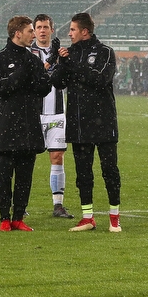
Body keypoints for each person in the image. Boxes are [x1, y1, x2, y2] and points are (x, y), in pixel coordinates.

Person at [51, 12, 122, 233]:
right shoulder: (69, 54)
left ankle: (114, 218)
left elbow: (100, 80)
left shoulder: (105, 52)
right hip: (78, 122)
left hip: (104, 122)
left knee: (109, 170)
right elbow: (57, 83)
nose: (69, 34)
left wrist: (72, 63)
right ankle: (87, 217)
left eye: (72, 30)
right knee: (83, 173)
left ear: (84, 31)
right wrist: (60, 61)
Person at [0, 16, 52, 231]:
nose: (33, 34)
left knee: (25, 175)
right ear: (17, 33)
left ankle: (18, 218)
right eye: (30, 30)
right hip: (6, 125)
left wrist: (44, 75)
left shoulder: (32, 59)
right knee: (5, 175)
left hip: (29, 125)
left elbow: (43, 89)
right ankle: (4, 218)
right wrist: (23, 73)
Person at [30, 14, 74, 219]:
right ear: (34, 30)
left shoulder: (62, 52)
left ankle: (58, 205)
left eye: (45, 26)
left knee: (57, 157)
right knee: (26, 159)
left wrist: (64, 60)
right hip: (33, 114)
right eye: (38, 27)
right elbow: (33, 78)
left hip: (57, 113)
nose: (42, 30)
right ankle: (20, 205)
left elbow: (67, 80)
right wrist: (50, 61)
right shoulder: (28, 53)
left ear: (52, 30)